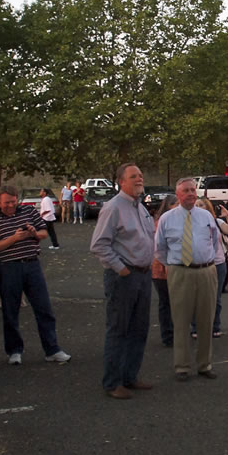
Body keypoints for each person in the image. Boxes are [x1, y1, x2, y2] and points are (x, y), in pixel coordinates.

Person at [0, 185, 71, 365]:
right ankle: (14, 350)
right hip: (8, 268)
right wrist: (14, 238)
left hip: (32, 265)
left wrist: (33, 233)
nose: (10, 206)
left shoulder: (28, 212)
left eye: (13, 202)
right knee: (10, 310)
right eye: (6, 203)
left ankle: (52, 349)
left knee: (44, 308)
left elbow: (44, 233)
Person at [90, 163, 156, 400]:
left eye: (140, 175)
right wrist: (122, 269)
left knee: (139, 329)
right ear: (121, 181)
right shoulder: (113, 207)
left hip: (143, 275)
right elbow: (99, 244)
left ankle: (130, 376)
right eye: (133, 176)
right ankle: (112, 382)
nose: (139, 179)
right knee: (119, 329)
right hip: (123, 278)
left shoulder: (140, 207)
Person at [154, 178, 219, 380]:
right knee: (180, 321)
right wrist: (175, 266)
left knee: (205, 320)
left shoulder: (206, 215)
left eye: (193, 190)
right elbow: (160, 249)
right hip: (180, 272)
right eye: (186, 191)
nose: (191, 193)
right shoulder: (167, 219)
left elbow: (214, 242)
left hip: (206, 271)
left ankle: (204, 364)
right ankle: (182, 366)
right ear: (178, 194)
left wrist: (204, 261)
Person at [194, 197, 228, 338]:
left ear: (208, 208)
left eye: (202, 205)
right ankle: (196, 327)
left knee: (215, 297)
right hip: (198, 265)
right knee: (198, 298)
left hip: (217, 264)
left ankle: (214, 326)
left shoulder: (216, 222)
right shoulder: (190, 223)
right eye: (196, 205)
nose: (199, 207)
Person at [151, 194, 179, 346]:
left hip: (174, 266)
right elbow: (159, 247)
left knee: (175, 302)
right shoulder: (161, 222)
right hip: (161, 268)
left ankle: (175, 331)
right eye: (177, 205)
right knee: (166, 302)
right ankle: (167, 334)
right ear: (169, 206)